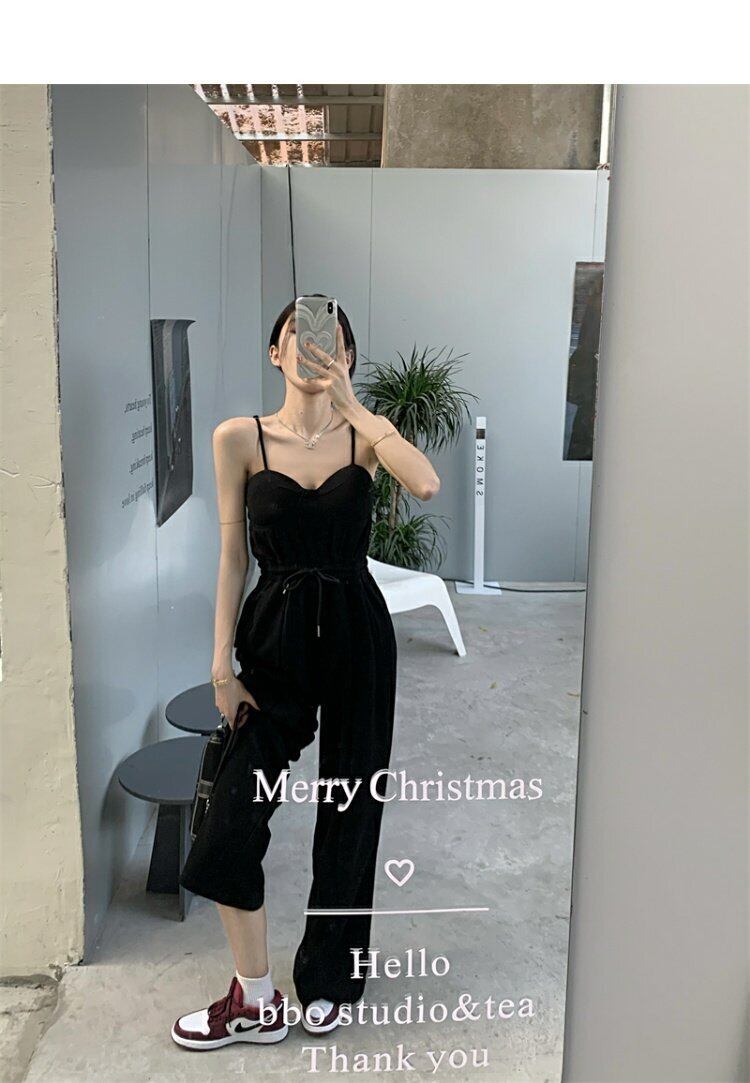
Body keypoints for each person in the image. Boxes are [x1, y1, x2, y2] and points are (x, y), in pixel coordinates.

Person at [171, 296, 441, 1051]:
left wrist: (358, 409)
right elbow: (233, 556)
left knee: (352, 807)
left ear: (347, 357)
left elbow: (425, 484)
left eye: (332, 339)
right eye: (298, 333)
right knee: (229, 820)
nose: (314, 346)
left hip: (358, 635)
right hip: (274, 642)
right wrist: (219, 663)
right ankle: (255, 997)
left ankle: (329, 978)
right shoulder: (240, 438)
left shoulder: (364, 438)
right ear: (275, 352)